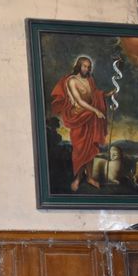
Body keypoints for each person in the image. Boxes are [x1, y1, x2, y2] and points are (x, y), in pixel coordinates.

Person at [50, 56, 112, 191]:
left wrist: (105, 95)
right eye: (85, 66)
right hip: (79, 117)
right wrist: (96, 110)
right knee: (79, 150)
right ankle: (78, 178)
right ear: (79, 66)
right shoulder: (72, 81)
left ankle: (89, 177)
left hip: (90, 118)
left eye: (89, 67)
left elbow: (94, 95)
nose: (87, 69)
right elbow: (79, 101)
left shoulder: (90, 79)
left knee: (90, 149)